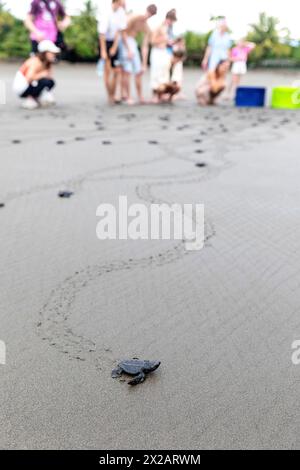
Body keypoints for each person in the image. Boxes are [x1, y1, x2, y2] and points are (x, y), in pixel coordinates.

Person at [120, 4, 158, 105]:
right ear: (146, 10)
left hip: (132, 42)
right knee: (127, 71)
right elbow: (122, 32)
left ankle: (140, 97)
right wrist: (128, 50)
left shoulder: (146, 27)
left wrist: (144, 63)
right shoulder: (134, 17)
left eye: (151, 15)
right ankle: (127, 96)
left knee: (138, 72)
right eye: (148, 13)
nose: (148, 16)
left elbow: (144, 46)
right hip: (124, 42)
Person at [98, 0, 130, 104]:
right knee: (107, 71)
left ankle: (113, 94)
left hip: (114, 42)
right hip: (105, 42)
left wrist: (114, 47)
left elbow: (118, 31)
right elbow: (102, 34)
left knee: (116, 71)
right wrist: (103, 51)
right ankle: (109, 95)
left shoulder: (121, 12)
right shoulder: (105, 12)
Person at [13, 40, 60, 110]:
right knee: (45, 81)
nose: (54, 55)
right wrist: (42, 74)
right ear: (44, 53)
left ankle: (37, 97)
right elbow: (29, 78)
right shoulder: (35, 61)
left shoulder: (46, 62)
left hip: (30, 85)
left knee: (50, 82)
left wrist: (49, 66)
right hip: (22, 88)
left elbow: (49, 77)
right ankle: (30, 98)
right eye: (52, 53)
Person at [150, 9, 177, 102]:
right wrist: (164, 40)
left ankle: (161, 94)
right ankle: (154, 95)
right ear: (168, 19)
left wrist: (169, 42)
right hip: (157, 52)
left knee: (164, 73)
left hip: (164, 52)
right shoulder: (159, 27)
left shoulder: (168, 28)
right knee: (156, 74)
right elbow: (153, 41)